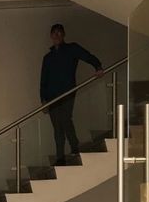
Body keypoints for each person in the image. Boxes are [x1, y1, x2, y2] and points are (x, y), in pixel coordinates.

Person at [39, 24, 104, 164]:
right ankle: (60, 157)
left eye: (59, 33)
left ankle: (74, 146)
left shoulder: (71, 49)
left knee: (65, 119)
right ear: (51, 36)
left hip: (67, 92)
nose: (56, 36)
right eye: (54, 33)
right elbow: (43, 80)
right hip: (52, 97)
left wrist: (98, 66)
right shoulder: (48, 57)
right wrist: (43, 100)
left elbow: (88, 56)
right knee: (57, 126)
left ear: (63, 35)